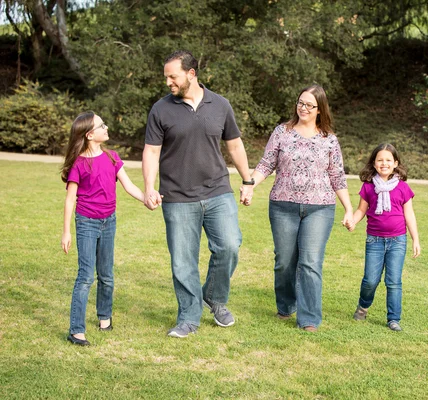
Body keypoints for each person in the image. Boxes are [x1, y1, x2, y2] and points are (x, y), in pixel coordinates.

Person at [143, 50, 253, 338]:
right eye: (166, 76)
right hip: (177, 197)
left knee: (229, 246)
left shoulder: (220, 104)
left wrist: (248, 180)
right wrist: (148, 187)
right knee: (183, 260)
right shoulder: (161, 109)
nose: (168, 82)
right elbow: (151, 152)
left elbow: (235, 146)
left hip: (218, 191)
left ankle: (215, 298)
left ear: (191, 74)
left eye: (173, 76)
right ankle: (189, 316)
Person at [241, 85, 354, 332]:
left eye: (309, 105)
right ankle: (286, 305)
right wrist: (250, 185)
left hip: (320, 208)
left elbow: (337, 176)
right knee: (284, 261)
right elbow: (266, 163)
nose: (303, 108)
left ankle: (309, 318)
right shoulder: (282, 132)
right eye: (300, 103)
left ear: (320, 110)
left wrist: (348, 208)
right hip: (283, 205)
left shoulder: (329, 140)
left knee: (310, 262)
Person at [61, 112, 145, 346]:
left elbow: (129, 187)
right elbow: (70, 199)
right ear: (89, 135)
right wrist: (66, 231)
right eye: (102, 126)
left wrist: (147, 199)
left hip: (109, 221)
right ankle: (76, 330)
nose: (106, 128)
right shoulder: (79, 163)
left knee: (106, 275)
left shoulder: (112, 157)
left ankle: (104, 318)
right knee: (86, 276)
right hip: (86, 222)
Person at [346, 143, 421, 332]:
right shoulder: (368, 187)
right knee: (370, 280)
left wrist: (415, 239)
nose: (384, 163)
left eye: (388, 160)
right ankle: (363, 306)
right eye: (380, 160)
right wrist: (352, 221)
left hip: (397, 241)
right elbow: (361, 210)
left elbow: (409, 215)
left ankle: (393, 319)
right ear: (374, 163)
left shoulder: (403, 188)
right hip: (375, 241)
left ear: (395, 163)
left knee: (393, 281)